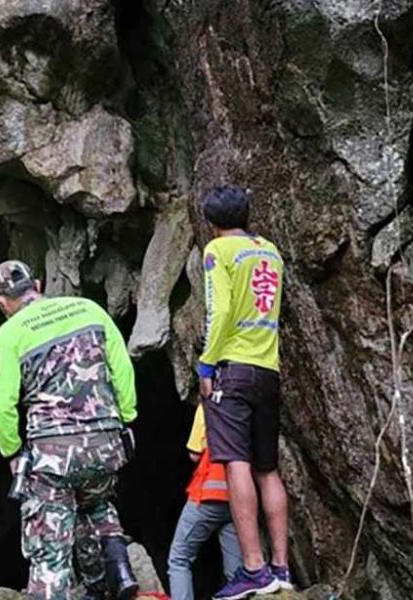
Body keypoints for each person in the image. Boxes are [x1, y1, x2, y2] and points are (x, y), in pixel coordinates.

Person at [0, 260, 139, 600]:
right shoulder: (89, 309)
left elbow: (0, 402)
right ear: (36, 285)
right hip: (105, 442)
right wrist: (126, 419)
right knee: (95, 504)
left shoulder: (9, 335)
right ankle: (116, 570)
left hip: (53, 454)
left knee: (49, 553)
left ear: (1, 302)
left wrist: (11, 451)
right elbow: (122, 369)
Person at [196, 185, 292, 599]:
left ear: (212, 223)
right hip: (267, 369)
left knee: (236, 462)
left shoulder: (218, 251)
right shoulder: (270, 251)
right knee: (267, 468)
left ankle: (253, 569)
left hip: (232, 369)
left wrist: (206, 363)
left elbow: (220, 312)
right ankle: (281, 567)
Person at [167, 405, 242, 600]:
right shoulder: (247, 405)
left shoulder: (209, 405)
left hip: (208, 494)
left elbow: (194, 453)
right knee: (236, 573)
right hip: (239, 501)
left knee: (179, 559)